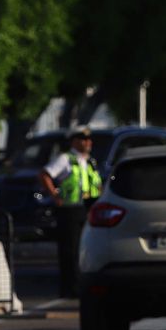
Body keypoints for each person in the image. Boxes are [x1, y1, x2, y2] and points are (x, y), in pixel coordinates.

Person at [40, 126, 102, 298]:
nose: (88, 142)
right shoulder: (65, 159)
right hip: (70, 210)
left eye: (89, 139)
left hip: (88, 209)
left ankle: (81, 284)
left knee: (85, 249)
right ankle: (69, 288)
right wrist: (55, 196)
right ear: (74, 141)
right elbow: (45, 174)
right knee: (70, 250)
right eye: (83, 139)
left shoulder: (89, 161)